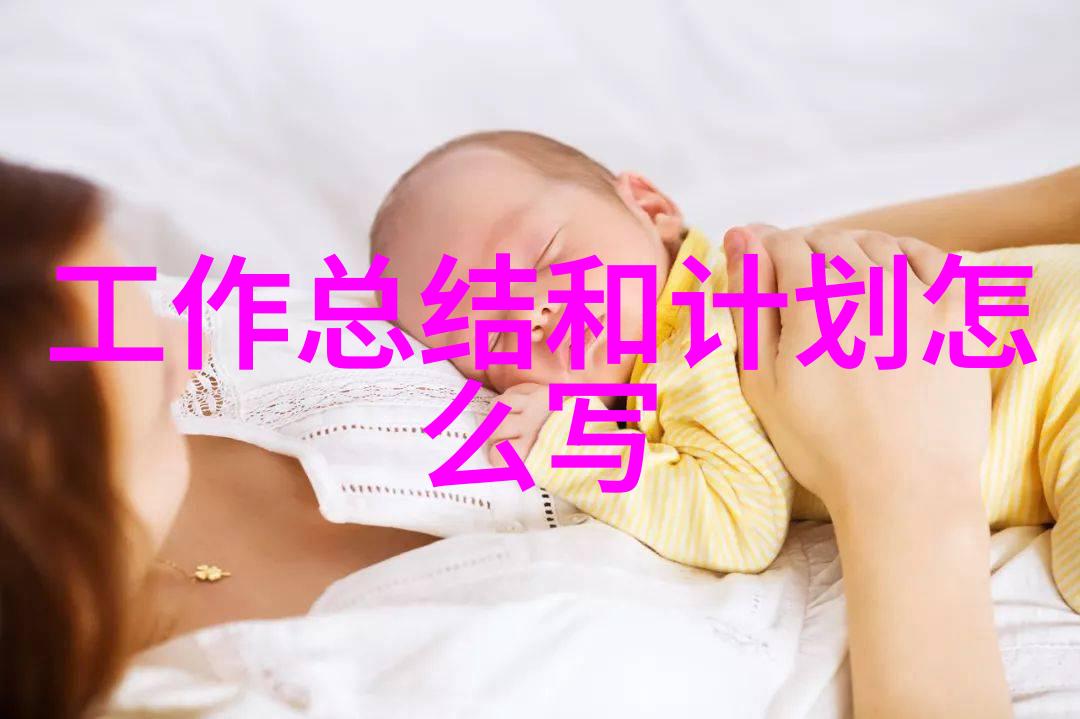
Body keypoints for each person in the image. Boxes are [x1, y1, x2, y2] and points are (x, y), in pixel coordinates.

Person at [0, 154, 1042, 717]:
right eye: (116, 355)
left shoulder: (170, 324)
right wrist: (908, 490)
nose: (161, 328)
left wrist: (1044, 204)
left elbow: (741, 284)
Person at [372, 130, 1079, 611]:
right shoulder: (735, 283)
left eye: (543, 256)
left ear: (651, 208)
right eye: (492, 335)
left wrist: (566, 445)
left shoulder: (694, 344)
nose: (533, 310)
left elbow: (743, 523)